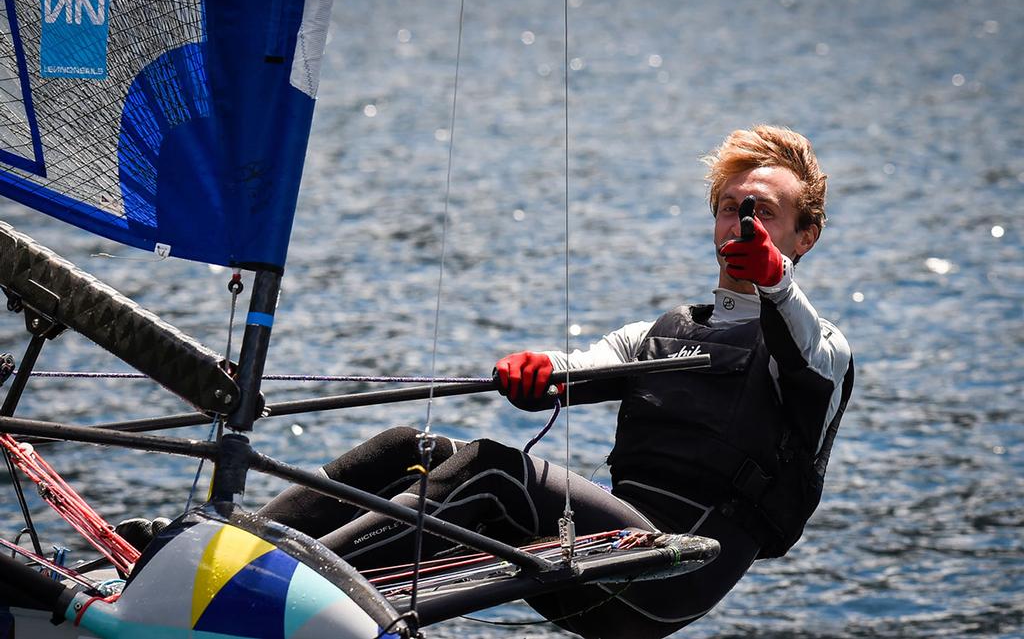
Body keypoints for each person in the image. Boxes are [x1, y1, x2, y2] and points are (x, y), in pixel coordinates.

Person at [257, 125, 854, 638]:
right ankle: (241, 545)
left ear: (805, 237)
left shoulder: (823, 348)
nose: (741, 223)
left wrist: (777, 282)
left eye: (763, 213)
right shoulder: (660, 331)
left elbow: (797, 339)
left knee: (492, 470)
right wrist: (537, 370)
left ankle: (264, 592)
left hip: (667, 576)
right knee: (411, 449)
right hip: (592, 556)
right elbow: (577, 366)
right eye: (730, 207)